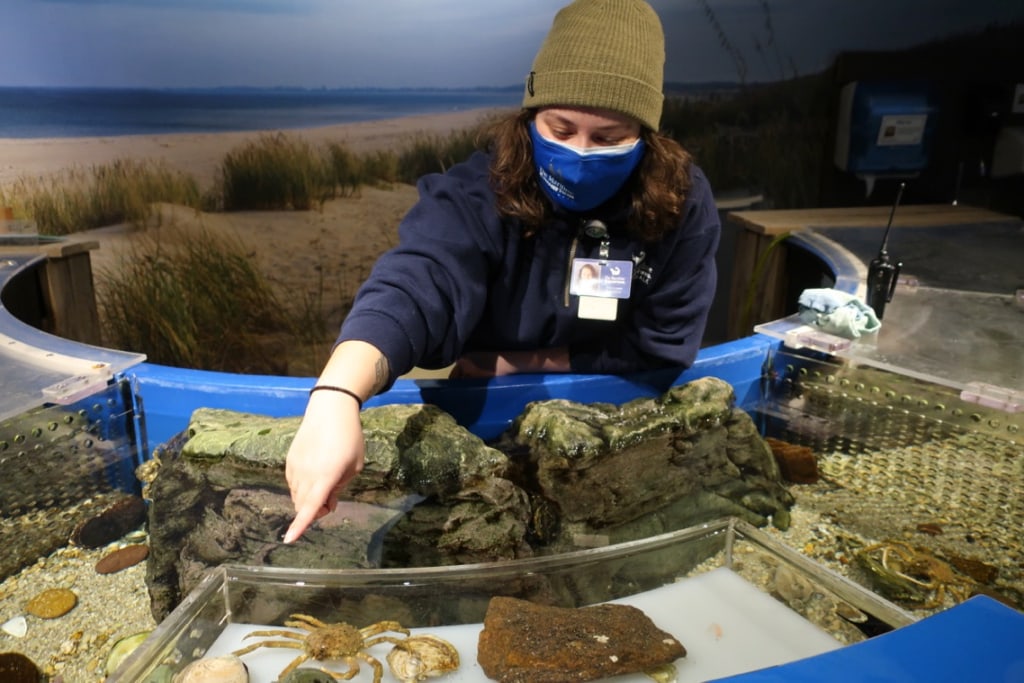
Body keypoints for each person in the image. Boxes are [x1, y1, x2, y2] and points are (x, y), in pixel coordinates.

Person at [284, 0, 720, 543]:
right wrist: (336, 397)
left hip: (607, 409)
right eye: (560, 128)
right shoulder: (478, 193)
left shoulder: (681, 203)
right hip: (480, 411)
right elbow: (418, 281)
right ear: (529, 116)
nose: (580, 153)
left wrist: (520, 362)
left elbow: (664, 346)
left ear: (647, 135)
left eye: (608, 138)